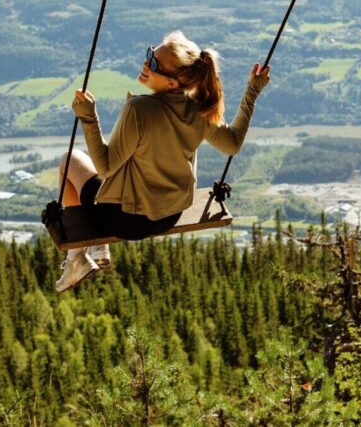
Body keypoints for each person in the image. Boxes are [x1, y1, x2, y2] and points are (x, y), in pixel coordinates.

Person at [55, 30, 270, 292]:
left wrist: (88, 117)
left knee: (70, 160)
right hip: (169, 215)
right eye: (149, 54)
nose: (146, 64)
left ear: (171, 83)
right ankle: (96, 250)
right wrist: (252, 92)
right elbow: (232, 143)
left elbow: (106, 166)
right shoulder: (198, 110)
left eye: (154, 63)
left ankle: (77, 258)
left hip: (125, 221)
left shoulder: (140, 110)